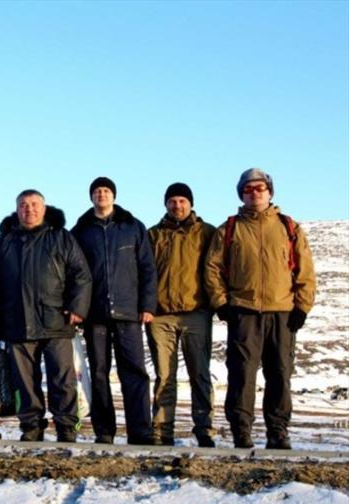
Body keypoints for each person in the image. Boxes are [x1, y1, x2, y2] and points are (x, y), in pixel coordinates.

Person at [204, 168, 316, 449]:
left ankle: (278, 431)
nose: (255, 193)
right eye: (248, 189)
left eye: (260, 188)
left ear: (270, 191)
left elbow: (305, 271)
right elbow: (212, 268)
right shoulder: (229, 228)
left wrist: (302, 307)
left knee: (280, 372)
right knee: (242, 373)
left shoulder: (289, 228)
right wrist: (221, 303)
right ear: (241, 194)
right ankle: (241, 431)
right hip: (244, 311)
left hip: (282, 312)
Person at [0, 190, 91, 442]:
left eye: (34, 205)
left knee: (62, 378)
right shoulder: (3, 242)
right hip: (16, 322)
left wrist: (77, 307)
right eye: (23, 205)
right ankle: (31, 425)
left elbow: (81, 275)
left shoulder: (61, 238)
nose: (29, 209)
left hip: (56, 320)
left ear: (44, 207)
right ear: (16, 210)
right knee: (24, 380)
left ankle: (66, 425)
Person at [71, 177, 157, 445]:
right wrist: (77, 308)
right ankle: (104, 430)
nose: (101, 195)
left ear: (114, 195)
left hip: (129, 312)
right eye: (97, 191)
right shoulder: (81, 231)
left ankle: (140, 431)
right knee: (98, 372)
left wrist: (147, 305)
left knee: (134, 372)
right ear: (91, 197)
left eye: (106, 191)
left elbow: (147, 268)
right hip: (94, 314)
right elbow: (73, 273)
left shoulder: (132, 227)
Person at [147, 183, 216, 447]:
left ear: (191, 203)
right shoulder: (153, 235)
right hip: (161, 316)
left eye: (182, 201)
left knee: (200, 373)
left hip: (196, 313)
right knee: (165, 375)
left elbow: (216, 268)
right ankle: (162, 430)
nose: (177, 206)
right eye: (173, 201)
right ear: (165, 204)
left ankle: (204, 428)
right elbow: (144, 273)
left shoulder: (206, 233)